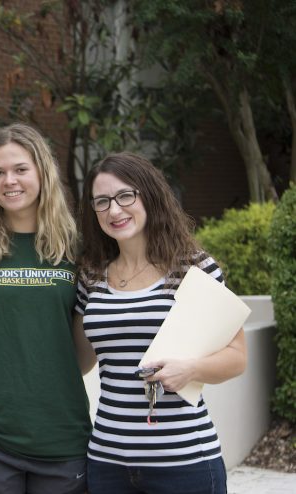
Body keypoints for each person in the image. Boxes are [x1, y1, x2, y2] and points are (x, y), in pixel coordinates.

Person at [74, 152, 247, 494]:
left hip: (184, 463)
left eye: (126, 196)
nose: (114, 210)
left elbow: (238, 358)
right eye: (102, 201)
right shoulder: (90, 276)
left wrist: (191, 370)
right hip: (108, 464)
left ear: (149, 196)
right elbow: (79, 362)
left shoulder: (193, 269)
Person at [0, 123, 92, 493]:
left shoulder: (76, 248)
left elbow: (86, 349)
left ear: (42, 172)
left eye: (20, 169)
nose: (9, 181)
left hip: (62, 434)